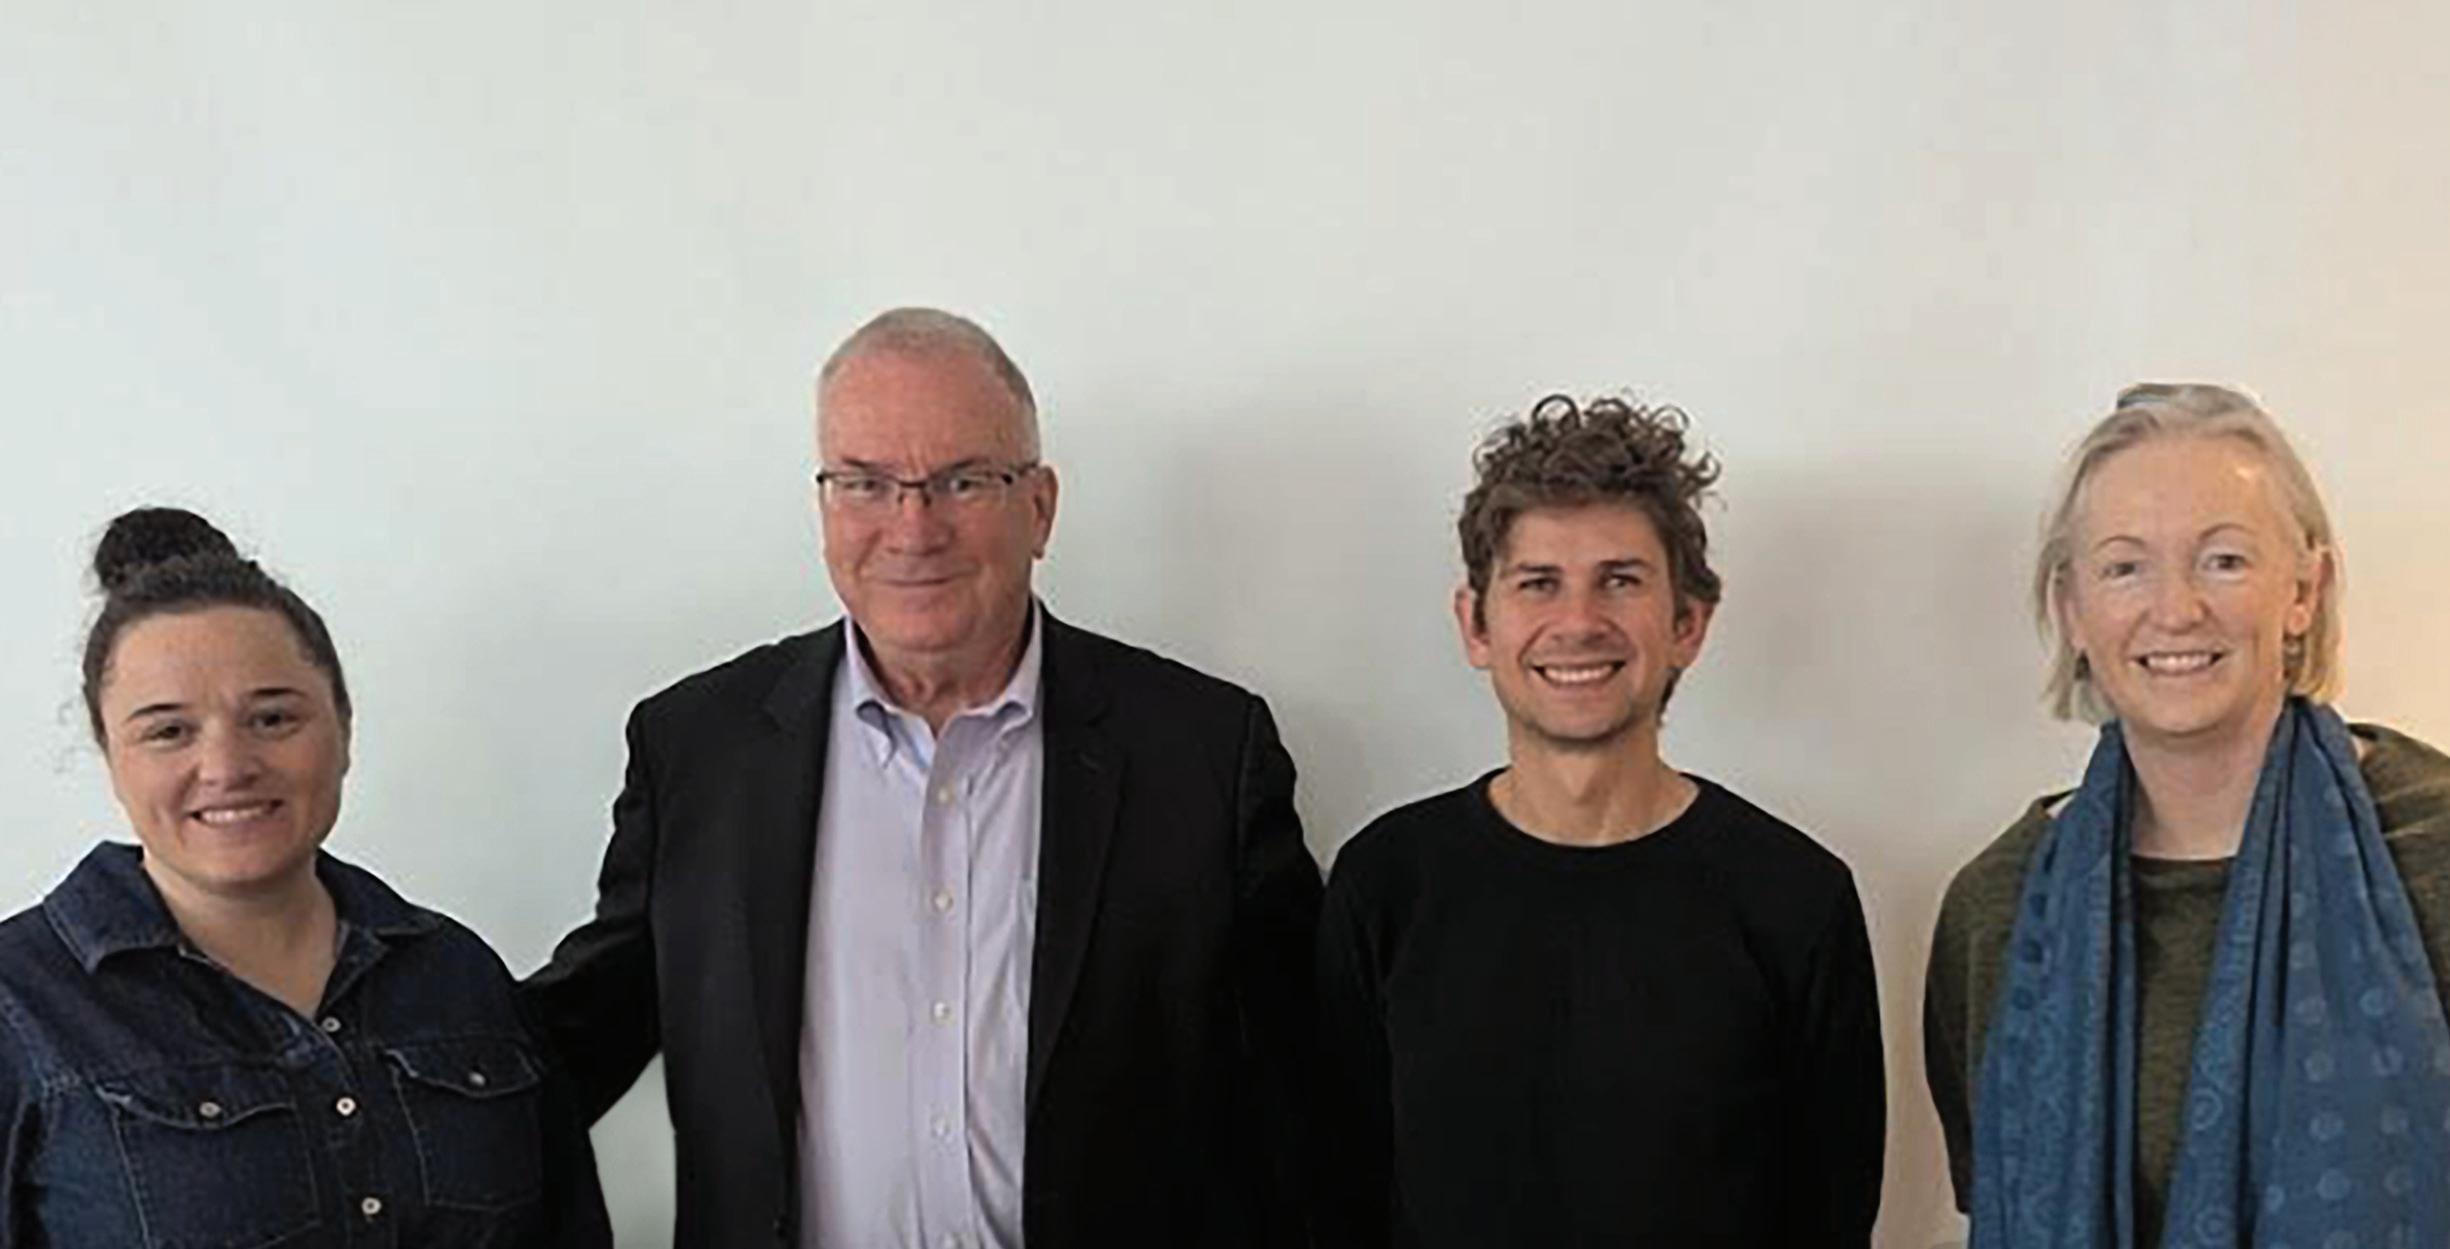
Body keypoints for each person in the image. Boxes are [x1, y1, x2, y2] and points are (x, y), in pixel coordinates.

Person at [524, 306, 1321, 1248]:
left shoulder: (1202, 753)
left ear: (1040, 507)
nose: (913, 526)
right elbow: (583, 1032)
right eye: (865, 482)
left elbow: (1311, 1096)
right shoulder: (699, 751)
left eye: (963, 480)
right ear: (825, 507)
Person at [1315, 393, 1886, 1247]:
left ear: (1688, 622)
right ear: (1476, 624)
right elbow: (1332, 1196)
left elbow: (1829, 1218)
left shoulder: (1795, 898)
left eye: (1620, 580)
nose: (1578, 622)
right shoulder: (1386, 884)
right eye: (1538, 583)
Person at [1925, 383, 2450, 1246]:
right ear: (2072, 610)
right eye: (2125, 567)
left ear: (2304, 590)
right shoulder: (1999, 909)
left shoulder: (2432, 849)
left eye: (2224, 560)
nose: (2175, 609)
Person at [0, 508, 610, 1248]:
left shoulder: (458, 975)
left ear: (343, 728)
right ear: (110, 755)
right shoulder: (20, 1002)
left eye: (272, 719)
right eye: (168, 731)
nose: (227, 767)